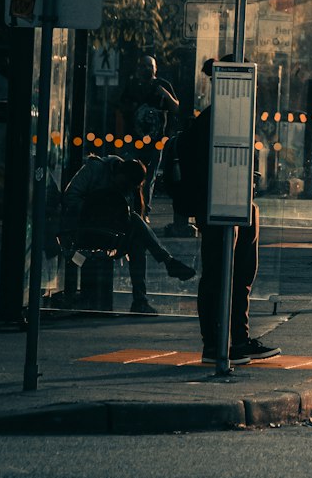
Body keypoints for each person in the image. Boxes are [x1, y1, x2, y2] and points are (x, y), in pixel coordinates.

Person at [174, 58, 281, 365]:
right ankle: (218, 344)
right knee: (220, 275)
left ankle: (237, 340)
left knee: (239, 274)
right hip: (221, 208)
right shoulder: (215, 119)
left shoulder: (230, 116)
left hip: (238, 204)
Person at [62, 155, 196, 315]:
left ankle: (140, 300)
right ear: (118, 172)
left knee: (137, 241)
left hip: (112, 233)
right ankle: (167, 262)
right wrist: (99, 209)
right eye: (123, 184)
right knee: (134, 221)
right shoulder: (95, 169)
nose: (123, 188)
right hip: (87, 229)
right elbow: (70, 197)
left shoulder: (127, 186)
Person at [119, 54, 180, 215]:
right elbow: (120, 107)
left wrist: (165, 94)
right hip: (133, 138)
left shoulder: (163, 85)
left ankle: (144, 211)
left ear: (155, 68)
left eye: (150, 66)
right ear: (138, 68)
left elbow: (175, 107)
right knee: (130, 174)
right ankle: (129, 209)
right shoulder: (132, 85)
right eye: (143, 66)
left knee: (149, 177)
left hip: (155, 141)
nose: (146, 69)